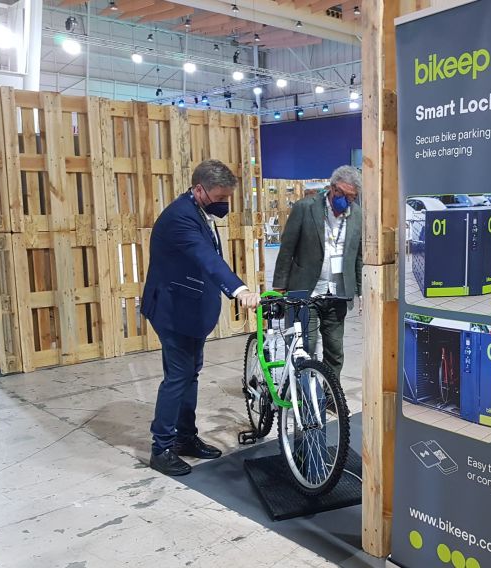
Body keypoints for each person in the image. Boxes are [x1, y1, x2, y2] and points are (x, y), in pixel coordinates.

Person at [141, 159, 261, 477]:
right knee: (178, 376)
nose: (224, 204)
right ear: (199, 189)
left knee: (190, 374)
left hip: (189, 308)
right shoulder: (180, 218)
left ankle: (184, 437)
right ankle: (161, 448)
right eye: (220, 198)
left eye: (227, 198)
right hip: (172, 310)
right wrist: (239, 289)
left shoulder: (199, 211)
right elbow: (207, 258)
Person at [272, 165, 363, 379]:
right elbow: (287, 248)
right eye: (344, 194)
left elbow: (357, 256)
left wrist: (360, 292)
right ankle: (304, 401)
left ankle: (332, 399)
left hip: (338, 294)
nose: (347, 201)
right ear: (333, 188)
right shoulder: (305, 207)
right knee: (305, 348)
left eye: (352, 197)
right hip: (306, 290)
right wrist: (279, 287)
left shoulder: (358, 215)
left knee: (335, 351)